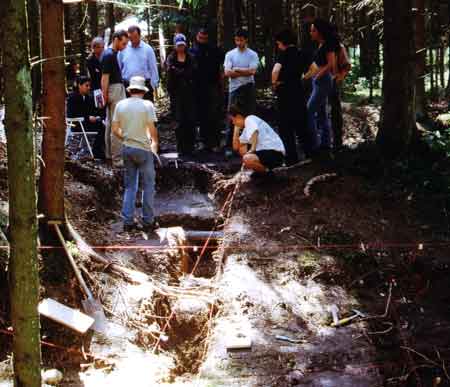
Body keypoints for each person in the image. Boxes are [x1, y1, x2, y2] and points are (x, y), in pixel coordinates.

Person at [111, 76, 159, 232]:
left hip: (127, 148)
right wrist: (154, 144)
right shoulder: (147, 105)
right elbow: (152, 130)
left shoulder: (120, 105)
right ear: (143, 91)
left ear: (130, 90)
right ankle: (148, 221)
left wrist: (125, 137)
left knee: (130, 186)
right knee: (148, 186)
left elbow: (114, 130)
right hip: (144, 149)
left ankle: (128, 221)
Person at [272, 29, 311, 165]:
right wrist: (303, 78)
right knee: (302, 123)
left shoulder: (283, 55)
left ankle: (291, 158)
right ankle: (309, 154)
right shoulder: (302, 54)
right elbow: (314, 69)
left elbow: (275, 70)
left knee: (285, 126)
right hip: (298, 90)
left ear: (282, 42)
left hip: (284, 92)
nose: (278, 46)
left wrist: (275, 83)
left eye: (278, 43)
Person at [303, 19, 338, 156]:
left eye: (313, 30)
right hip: (317, 81)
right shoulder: (321, 44)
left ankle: (314, 144)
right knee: (322, 114)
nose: (311, 32)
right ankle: (325, 144)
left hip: (323, 81)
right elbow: (318, 65)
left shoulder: (328, 45)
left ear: (320, 32)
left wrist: (318, 75)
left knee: (308, 111)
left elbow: (331, 64)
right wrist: (308, 76)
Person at [224, 28, 259, 154]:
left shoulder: (252, 54)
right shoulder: (230, 54)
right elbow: (227, 72)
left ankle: (250, 145)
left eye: (241, 40)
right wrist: (244, 71)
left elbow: (253, 71)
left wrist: (237, 69)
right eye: (236, 40)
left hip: (248, 87)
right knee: (232, 117)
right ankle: (230, 146)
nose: (238, 43)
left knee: (249, 116)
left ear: (246, 40)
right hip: (234, 89)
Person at [190, 27, 225, 152]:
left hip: (212, 86)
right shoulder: (192, 50)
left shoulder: (214, 49)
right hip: (198, 88)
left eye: (204, 38)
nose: (202, 40)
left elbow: (224, 61)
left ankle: (215, 142)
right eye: (200, 37)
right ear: (197, 36)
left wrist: (222, 75)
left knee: (214, 115)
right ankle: (204, 142)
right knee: (201, 115)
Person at [230, 104, 285, 174]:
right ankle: (264, 171)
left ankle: (269, 174)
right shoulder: (246, 130)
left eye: (233, 120)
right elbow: (236, 147)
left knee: (247, 158)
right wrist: (236, 130)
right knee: (242, 148)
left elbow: (255, 132)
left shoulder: (250, 119)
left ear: (238, 117)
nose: (233, 123)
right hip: (265, 154)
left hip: (275, 153)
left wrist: (252, 149)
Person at [166, 34, 197, 156]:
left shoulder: (191, 57)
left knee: (190, 120)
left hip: (190, 94)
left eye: (182, 45)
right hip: (176, 94)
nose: (180, 48)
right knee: (179, 120)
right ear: (175, 46)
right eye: (178, 45)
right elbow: (170, 73)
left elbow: (193, 72)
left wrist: (179, 72)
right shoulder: (171, 58)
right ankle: (181, 147)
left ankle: (190, 147)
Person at [101, 29, 129, 166]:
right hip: (114, 90)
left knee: (111, 123)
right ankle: (117, 158)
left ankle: (109, 155)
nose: (124, 47)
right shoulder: (109, 55)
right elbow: (104, 78)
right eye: (123, 43)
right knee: (117, 124)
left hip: (115, 89)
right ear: (116, 39)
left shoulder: (112, 54)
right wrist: (105, 95)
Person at [67, 76, 105, 159]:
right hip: (78, 125)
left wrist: (96, 115)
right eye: (86, 86)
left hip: (86, 123)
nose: (89, 88)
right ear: (79, 86)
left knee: (102, 125)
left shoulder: (88, 97)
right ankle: (96, 151)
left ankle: (97, 150)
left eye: (89, 86)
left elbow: (91, 111)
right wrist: (87, 118)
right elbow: (72, 114)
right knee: (101, 127)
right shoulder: (72, 97)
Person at [118, 25, 159, 102]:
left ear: (140, 36)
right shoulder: (123, 49)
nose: (133, 40)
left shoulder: (147, 49)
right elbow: (119, 67)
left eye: (135, 37)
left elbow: (153, 68)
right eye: (131, 38)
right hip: (128, 86)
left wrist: (153, 86)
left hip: (144, 86)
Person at [329, 24, 351, 149]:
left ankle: (337, 142)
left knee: (335, 112)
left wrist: (338, 79)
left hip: (333, 84)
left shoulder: (338, 47)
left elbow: (346, 66)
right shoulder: (320, 46)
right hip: (319, 84)